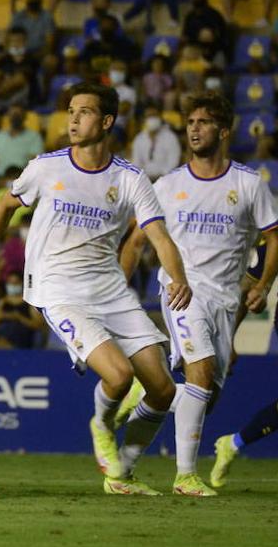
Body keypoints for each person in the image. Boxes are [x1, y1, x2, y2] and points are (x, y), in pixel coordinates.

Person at [0, 82, 192, 495]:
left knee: (162, 388)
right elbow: (3, 207)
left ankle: (123, 474)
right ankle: (102, 425)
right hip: (58, 289)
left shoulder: (131, 178)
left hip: (110, 290)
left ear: (106, 122)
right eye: (70, 111)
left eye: (83, 112)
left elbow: (157, 235)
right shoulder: (47, 167)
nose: (73, 119)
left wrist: (179, 278)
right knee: (118, 377)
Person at [118, 92, 278, 496]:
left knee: (202, 398)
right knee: (200, 375)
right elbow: (137, 242)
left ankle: (122, 468)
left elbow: (274, 237)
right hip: (183, 295)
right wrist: (118, 294)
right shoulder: (169, 185)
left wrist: (262, 285)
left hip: (227, 302)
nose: (194, 128)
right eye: (190, 121)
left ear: (223, 131)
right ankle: (185, 476)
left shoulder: (247, 185)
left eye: (203, 122)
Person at [129, 108, 181, 180]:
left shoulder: (170, 137)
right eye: (149, 116)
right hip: (144, 180)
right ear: (144, 119)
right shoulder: (139, 139)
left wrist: (161, 176)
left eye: (154, 115)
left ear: (160, 117)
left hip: (165, 179)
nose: (152, 118)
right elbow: (136, 162)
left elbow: (173, 162)